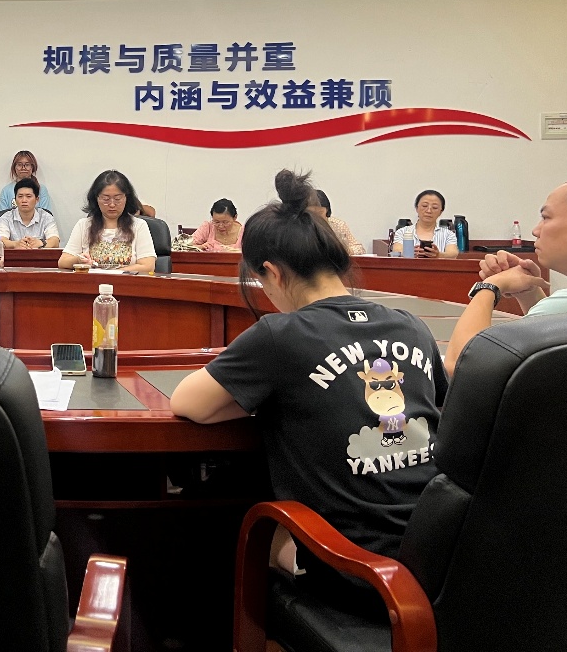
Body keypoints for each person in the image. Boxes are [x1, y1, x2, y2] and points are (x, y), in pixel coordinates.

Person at [170, 170, 447, 605]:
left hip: (360, 572)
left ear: (272, 272)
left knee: (214, 515)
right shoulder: (411, 326)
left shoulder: (281, 335)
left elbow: (189, 403)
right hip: (441, 560)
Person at [445, 175, 567, 377]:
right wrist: (529, 293)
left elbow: (464, 367)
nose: (536, 230)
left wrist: (490, 287)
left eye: (546, 217)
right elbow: (549, 339)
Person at [58, 170, 156, 274]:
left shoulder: (139, 226)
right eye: (106, 199)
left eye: (117, 199)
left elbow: (148, 266)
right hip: (92, 282)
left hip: (127, 282)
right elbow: (63, 262)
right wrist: (79, 260)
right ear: (96, 198)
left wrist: (113, 274)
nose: (112, 204)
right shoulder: (84, 225)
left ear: (126, 198)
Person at [0, 177, 60, 249]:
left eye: (28, 196)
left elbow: (55, 241)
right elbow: (0, 241)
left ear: (37, 199)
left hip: (39, 256)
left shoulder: (46, 217)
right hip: (14, 256)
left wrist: (40, 243)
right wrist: (15, 244)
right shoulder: (6, 217)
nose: (24, 200)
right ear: (15, 199)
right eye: (20, 196)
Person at [392, 190, 458, 259]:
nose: (429, 211)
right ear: (417, 208)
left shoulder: (448, 234)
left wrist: (439, 255)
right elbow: (396, 251)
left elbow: (453, 254)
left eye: (434, 207)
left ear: (440, 212)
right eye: (424, 206)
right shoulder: (402, 232)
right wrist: (408, 253)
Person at [312, 190, 365, 256]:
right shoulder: (303, 226)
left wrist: (345, 250)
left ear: (327, 210)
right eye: (311, 213)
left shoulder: (338, 225)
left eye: (319, 212)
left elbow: (359, 248)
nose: (315, 216)